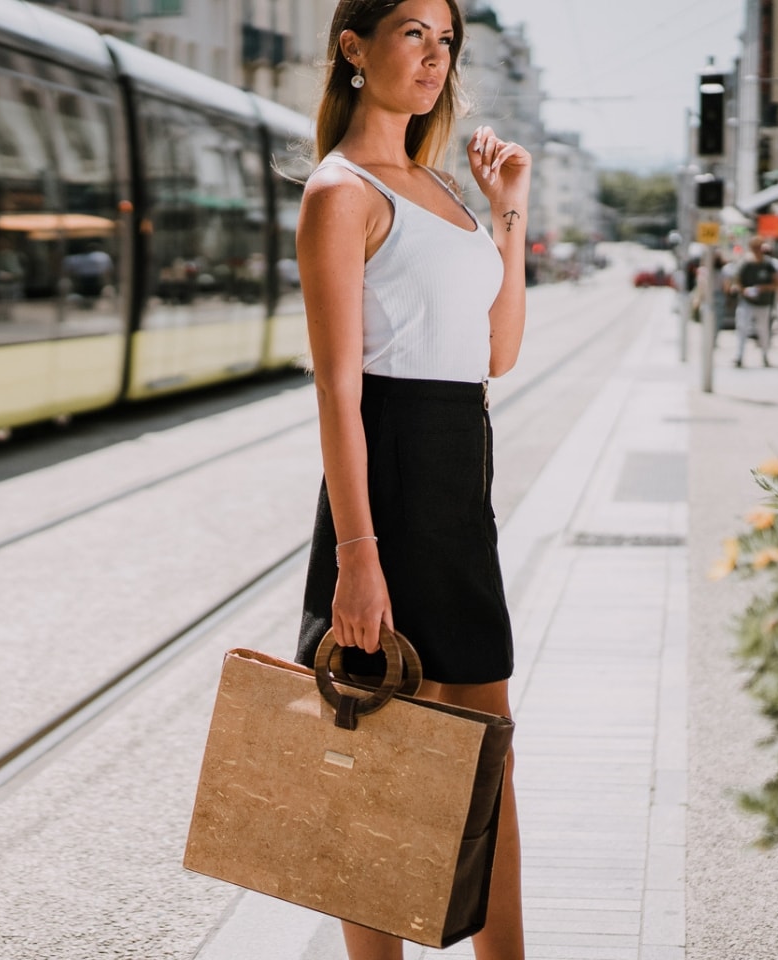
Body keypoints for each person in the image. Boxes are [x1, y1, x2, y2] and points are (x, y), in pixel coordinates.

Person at [293, 2, 529, 958]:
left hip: (456, 487)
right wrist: (357, 557)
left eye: (446, 40)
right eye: (412, 34)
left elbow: (499, 353)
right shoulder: (340, 191)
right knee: (371, 756)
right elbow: (339, 394)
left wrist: (511, 208)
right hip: (386, 486)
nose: (434, 57)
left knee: (488, 761)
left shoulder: (444, 191)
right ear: (354, 47)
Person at [728, 236, 778, 367]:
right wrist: (745, 291)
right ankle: (739, 356)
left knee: (763, 330)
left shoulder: (769, 264)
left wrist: (762, 288)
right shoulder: (745, 263)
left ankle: (765, 356)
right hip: (747, 302)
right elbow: (736, 282)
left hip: (764, 303)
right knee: (742, 328)